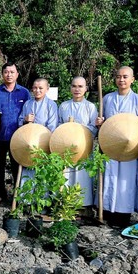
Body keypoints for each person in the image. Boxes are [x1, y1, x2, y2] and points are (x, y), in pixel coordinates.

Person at [95, 66, 138, 228]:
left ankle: (123, 216)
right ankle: (107, 212)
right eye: (118, 77)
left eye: (125, 77)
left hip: (129, 148)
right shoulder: (107, 99)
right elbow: (103, 122)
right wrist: (99, 124)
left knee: (126, 181)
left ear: (132, 79)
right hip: (110, 146)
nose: (122, 80)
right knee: (110, 178)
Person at [0, 62, 31, 204]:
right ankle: (0, 193)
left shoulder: (24, 92)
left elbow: (29, 112)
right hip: (0, 136)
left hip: (18, 137)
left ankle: (18, 194)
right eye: (6, 72)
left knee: (17, 166)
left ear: (17, 74)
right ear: (2, 74)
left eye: (12, 72)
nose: (9, 75)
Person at [58, 76, 98, 208]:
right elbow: (58, 126)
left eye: (80, 86)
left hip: (83, 147)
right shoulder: (64, 106)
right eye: (74, 86)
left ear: (86, 89)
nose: (77, 89)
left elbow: (93, 128)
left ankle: (83, 206)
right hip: (66, 148)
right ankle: (65, 204)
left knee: (83, 176)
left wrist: (78, 129)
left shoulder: (90, 107)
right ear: (70, 88)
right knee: (66, 176)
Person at [17, 78, 58, 183]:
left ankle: (42, 197)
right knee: (28, 169)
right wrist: (25, 120)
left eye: (40, 88)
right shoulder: (27, 104)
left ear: (47, 89)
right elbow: (20, 121)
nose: (37, 90)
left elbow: (52, 126)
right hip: (28, 143)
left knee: (42, 172)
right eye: (35, 88)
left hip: (43, 143)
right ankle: (26, 198)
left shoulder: (51, 105)